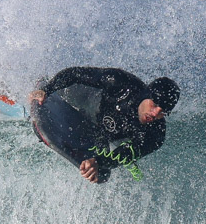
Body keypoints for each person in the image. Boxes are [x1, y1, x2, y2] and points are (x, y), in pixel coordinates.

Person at [29, 67, 179, 183]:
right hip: (91, 105)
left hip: (103, 135)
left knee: (104, 171)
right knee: (70, 91)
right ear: (147, 94)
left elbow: (125, 154)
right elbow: (75, 74)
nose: (155, 114)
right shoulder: (121, 83)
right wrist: (47, 89)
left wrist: (98, 163)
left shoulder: (155, 134)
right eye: (154, 105)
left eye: (163, 112)